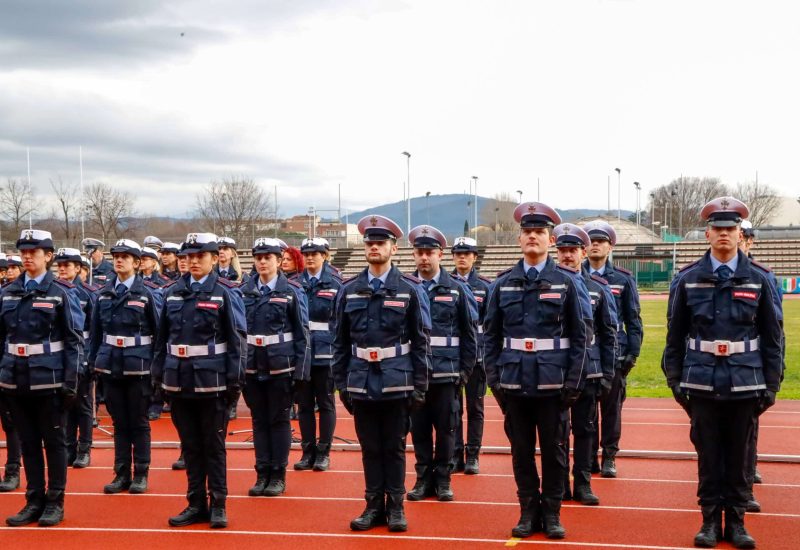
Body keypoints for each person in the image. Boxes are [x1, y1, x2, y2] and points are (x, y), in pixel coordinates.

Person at [663, 197, 782, 549]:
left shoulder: (759, 279)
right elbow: (675, 337)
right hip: (701, 381)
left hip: (746, 381)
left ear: (738, 232)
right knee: (709, 455)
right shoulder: (687, 280)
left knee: (741, 456)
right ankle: (710, 521)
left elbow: (773, 338)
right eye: (718, 229)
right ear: (707, 234)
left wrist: (772, 384)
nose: (725, 234)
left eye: (731, 229)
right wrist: (675, 381)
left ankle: (739, 522)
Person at [483, 202, 590, 540]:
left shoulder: (568, 283)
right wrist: (496, 382)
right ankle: (528, 511)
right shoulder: (502, 285)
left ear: (550, 240)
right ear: (519, 239)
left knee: (556, 452)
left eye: (540, 232)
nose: (533, 236)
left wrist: (573, 383)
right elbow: (490, 337)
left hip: (553, 384)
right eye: (527, 232)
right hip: (514, 383)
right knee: (522, 453)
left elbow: (580, 337)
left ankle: (553, 512)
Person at [332, 214, 429, 532]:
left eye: (380, 242)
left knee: (395, 446)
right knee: (370, 448)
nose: (374, 247)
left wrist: (419, 386)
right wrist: (342, 384)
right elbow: (340, 343)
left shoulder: (410, 289)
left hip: (397, 381)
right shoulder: (349, 290)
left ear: (394, 247)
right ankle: (374, 505)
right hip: (360, 381)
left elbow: (420, 342)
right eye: (370, 243)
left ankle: (396, 506)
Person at [151, 232, 246, 529]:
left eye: (199, 256)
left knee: (213, 446)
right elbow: (161, 339)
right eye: (188, 257)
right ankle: (195, 503)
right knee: (190, 446)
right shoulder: (172, 293)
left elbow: (238, 342)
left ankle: (218, 503)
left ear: (214, 258)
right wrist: (159, 377)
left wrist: (234, 383)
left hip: (213, 382)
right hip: (179, 381)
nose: (192, 262)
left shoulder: (226, 292)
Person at [0, 229, 84, 527]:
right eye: (23, 251)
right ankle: (33, 499)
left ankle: (55, 500)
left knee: (54, 442)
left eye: (33, 251)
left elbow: (74, 341)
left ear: (48, 256)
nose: (26, 256)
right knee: (28, 442)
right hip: (15, 379)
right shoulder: (8, 291)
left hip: (49, 381)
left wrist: (70, 383)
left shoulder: (61, 292)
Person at [406, 225, 477, 503]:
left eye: (429, 252)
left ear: (440, 254)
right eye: (419, 252)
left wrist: (464, 372)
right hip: (415, 375)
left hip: (448, 373)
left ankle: (444, 480)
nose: (424, 258)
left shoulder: (458, 289)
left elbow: (470, 335)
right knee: (420, 428)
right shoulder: (407, 289)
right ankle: (424, 479)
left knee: (447, 429)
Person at [89, 239, 162, 495]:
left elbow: (158, 333)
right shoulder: (104, 293)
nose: (119, 260)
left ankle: (141, 473)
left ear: (137, 262)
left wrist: (156, 369)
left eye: (125, 256)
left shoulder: (148, 293)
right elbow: (96, 334)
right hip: (111, 366)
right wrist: (93, 363)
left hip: (139, 366)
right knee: (119, 423)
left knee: (139, 422)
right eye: (116, 256)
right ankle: (121, 473)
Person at [553, 223, 617, 506]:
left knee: (585, 430)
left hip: (589, 372)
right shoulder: (550, 285)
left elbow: (609, 334)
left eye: (573, 250)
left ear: (583, 253)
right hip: (557, 373)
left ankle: (583, 483)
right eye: (563, 250)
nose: (567, 256)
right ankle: (560, 484)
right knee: (557, 432)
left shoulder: (598, 288)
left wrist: (606, 374)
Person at [240, 237, 309, 497]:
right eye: (258, 258)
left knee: (278, 420)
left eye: (267, 257)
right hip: (252, 366)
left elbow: (302, 334)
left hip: (282, 366)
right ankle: (262, 473)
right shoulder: (243, 291)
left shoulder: (291, 291)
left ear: (279, 261)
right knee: (259, 421)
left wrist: (301, 371)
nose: (262, 262)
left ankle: (278, 474)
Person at [582, 219, 643, 478]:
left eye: (600, 242)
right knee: (584, 411)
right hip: (585, 355)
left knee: (611, 409)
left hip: (614, 353)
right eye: (591, 242)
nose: (595, 245)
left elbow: (633, 318)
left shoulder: (623, 279)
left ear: (610, 247)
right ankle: (589, 456)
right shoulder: (575, 276)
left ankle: (609, 455)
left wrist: (632, 353)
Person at [738, 220, 783, 514]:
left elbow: (774, 329)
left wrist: (774, 372)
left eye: (743, 236)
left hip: (750, 367)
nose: (737, 240)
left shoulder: (764, 277)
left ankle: (747, 475)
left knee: (748, 428)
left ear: (751, 242)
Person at [292, 237, 341, 472]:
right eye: (306, 253)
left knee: (325, 403)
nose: (310, 257)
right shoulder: (294, 283)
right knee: (303, 405)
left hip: (325, 352)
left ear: (325, 255)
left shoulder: (336, 283)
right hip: (302, 353)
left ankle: (324, 451)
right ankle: (307, 451)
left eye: (315, 253)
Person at [450, 236, 491, 474]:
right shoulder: (447, 284)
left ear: (475, 257)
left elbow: (491, 325)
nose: (462, 257)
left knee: (475, 408)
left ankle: (473, 454)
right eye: (458, 254)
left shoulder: (485, 286)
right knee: (454, 408)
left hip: (477, 356)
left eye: (466, 253)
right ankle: (455, 454)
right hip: (454, 356)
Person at [54, 247, 96, 469]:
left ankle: (84, 449)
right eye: (59, 266)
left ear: (78, 268)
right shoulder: (54, 291)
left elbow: (94, 330)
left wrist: (89, 359)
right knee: (66, 404)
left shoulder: (88, 293)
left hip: (83, 354)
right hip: (62, 357)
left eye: (67, 265)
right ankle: (69, 447)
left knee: (83, 405)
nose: (62, 270)